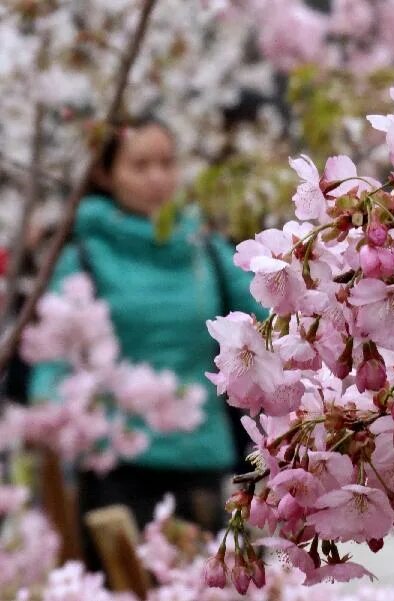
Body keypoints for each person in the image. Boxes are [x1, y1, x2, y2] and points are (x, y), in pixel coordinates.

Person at [27, 116, 263, 561]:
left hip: (201, 456)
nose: (158, 177)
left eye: (167, 163)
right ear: (105, 174)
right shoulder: (82, 254)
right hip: (117, 464)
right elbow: (53, 356)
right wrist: (47, 415)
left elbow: (269, 312)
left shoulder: (204, 248)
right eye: (140, 165)